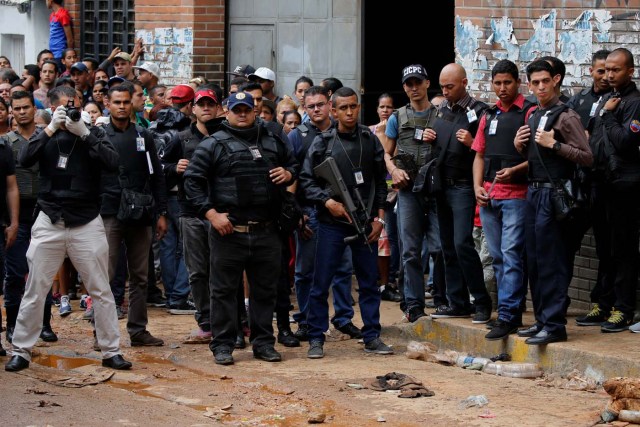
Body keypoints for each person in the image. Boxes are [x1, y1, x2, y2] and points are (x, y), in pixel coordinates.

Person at [5, 85, 132, 372]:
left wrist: (84, 132)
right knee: (35, 288)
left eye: (72, 105)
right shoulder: (45, 133)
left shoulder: (93, 133)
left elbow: (113, 163)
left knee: (101, 289)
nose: (69, 111)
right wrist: (50, 128)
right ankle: (22, 350)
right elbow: (24, 159)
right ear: (51, 108)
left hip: (86, 220)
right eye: (63, 107)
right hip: (49, 218)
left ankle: (111, 350)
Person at [184, 91, 299, 365]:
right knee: (223, 291)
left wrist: (289, 173)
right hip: (228, 232)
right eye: (237, 110)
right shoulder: (212, 144)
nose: (243, 114)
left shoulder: (271, 140)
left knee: (264, 291)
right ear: (227, 111)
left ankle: (263, 343)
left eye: (247, 109)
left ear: (255, 110)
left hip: (267, 230)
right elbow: (192, 182)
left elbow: (294, 164)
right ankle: (223, 345)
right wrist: (212, 215)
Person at [300, 87, 392, 359]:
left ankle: (372, 336)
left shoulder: (369, 139)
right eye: (343, 108)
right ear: (333, 109)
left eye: (353, 106)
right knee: (321, 283)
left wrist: (379, 219)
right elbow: (306, 181)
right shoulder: (323, 142)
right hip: (331, 223)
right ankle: (316, 337)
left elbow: (380, 182)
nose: (349, 112)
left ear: (359, 106)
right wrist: (328, 202)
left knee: (369, 283)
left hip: (365, 224)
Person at [513, 59, 592, 345]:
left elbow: (587, 156)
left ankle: (555, 324)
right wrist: (520, 146)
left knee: (552, 261)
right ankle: (542, 321)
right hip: (533, 192)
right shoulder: (534, 114)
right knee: (533, 260)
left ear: (556, 80)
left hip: (554, 194)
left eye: (546, 81)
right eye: (535, 83)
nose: (541, 87)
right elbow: (535, 159)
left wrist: (555, 144)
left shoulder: (566, 116)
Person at [288, 85, 362, 342]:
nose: (317, 110)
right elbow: (293, 176)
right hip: (310, 210)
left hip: (340, 211)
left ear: (330, 105)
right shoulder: (298, 136)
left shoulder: (341, 131)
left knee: (342, 268)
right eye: (311, 106)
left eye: (320, 104)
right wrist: (297, 213)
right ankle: (306, 321)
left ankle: (343, 319)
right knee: (306, 270)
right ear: (305, 109)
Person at [100, 82, 167, 347]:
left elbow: (157, 176)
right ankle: (102, 333)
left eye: (126, 102)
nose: (121, 106)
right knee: (104, 276)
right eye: (116, 102)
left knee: (140, 276)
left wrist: (161, 212)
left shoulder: (144, 135)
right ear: (108, 103)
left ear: (132, 104)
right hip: (109, 214)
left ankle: (138, 330)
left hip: (141, 214)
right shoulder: (98, 136)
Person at [578, 48, 640, 333]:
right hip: (600, 182)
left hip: (623, 186)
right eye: (606, 70)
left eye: (616, 70)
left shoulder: (634, 103)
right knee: (604, 248)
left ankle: (623, 309)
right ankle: (603, 303)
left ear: (630, 71)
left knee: (623, 248)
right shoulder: (606, 99)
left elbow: (626, 142)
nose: (610, 75)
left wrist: (609, 117)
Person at [471, 60, 532, 340]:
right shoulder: (489, 115)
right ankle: (509, 313)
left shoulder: (529, 112)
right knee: (496, 257)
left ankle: (508, 315)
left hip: (517, 197)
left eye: (507, 82)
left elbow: (539, 159)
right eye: (498, 83)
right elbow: (479, 155)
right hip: (489, 198)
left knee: (511, 255)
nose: (502, 88)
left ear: (517, 82)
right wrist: (476, 188)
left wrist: (516, 170)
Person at [429, 63, 493, 323]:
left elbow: (488, 152)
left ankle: (481, 301)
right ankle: (457, 302)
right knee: (447, 246)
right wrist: (430, 136)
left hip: (464, 186)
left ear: (464, 83)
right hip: (442, 185)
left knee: (462, 243)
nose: (445, 91)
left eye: (450, 86)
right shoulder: (441, 110)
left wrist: (471, 143)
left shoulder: (480, 112)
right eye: (442, 86)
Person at [161, 88, 223, 342]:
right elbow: (160, 169)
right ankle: (206, 321)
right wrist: (174, 167)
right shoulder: (181, 139)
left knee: (223, 270)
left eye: (211, 104)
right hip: (190, 213)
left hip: (222, 212)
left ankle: (230, 321)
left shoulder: (225, 137)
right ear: (193, 109)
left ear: (218, 108)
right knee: (197, 271)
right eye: (202, 104)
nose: (206, 108)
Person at [383, 65, 443, 321]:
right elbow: (385, 153)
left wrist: (437, 140)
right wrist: (394, 172)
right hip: (408, 191)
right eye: (409, 83)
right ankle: (414, 305)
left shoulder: (441, 116)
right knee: (410, 250)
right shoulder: (397, 117)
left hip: (435, 189)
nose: (413, 88)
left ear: (428, 83)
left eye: (418, 82)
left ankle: (442, 298)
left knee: (439, 247)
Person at [149, 84, 194, 313]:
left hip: (159, 194)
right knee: (188, 246)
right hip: (180, 195)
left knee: (167, 245)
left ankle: (171, 296)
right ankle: (178, 297)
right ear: (189, 105)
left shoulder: (153, 126)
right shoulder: (185, 130)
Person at [369, 93, 401, 302]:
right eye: (382, 106)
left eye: (389, 107)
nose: (385, 110)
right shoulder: (369, 131)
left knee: (394, 240)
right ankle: (379, 283)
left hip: (395, 193)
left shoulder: (396, 131)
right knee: (380, 239)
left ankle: (390, 280)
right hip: (376, 195)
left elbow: (394, 157)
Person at [567, 50, 612, 130]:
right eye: (600, 72)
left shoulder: (617, 100)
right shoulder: (578, 99)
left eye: (608, 72)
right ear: (591, 71)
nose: (605, 77)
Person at [47, 0, 74, 68]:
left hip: (60, 53)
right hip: (52, 53)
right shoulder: (52, 15)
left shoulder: (63, 14)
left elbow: (70, 39)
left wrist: (68, 56)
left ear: (51, 1)